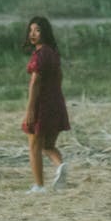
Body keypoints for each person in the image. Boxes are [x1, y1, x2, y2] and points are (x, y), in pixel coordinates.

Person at [21, 15, 70, 193]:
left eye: (37, 30)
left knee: (34, 146)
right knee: (47, 146)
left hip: (42, 105)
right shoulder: (53, 53)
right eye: (31, 30)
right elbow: (60, 78)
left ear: (45, 33)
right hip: (57, 103)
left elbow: (35, 83)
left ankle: (39, 186)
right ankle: (60, 166)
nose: (33, 34)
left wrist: (30, 110)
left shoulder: (40, 55)